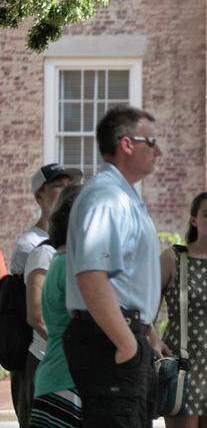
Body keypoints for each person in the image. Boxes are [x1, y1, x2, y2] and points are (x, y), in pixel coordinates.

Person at [63, 105, 165, 427]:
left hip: (121, 337)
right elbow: (92, 276)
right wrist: (126, 344)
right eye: (151, 142)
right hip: (109, 340)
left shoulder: (122, 195)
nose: (158, 151)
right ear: (127, 144)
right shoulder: (107, 197)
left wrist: (143, 336)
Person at [12, 163, 80, 426]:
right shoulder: (33, 246)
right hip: (43, 356)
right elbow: (36, 313)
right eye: (57, 187)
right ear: (39, 196)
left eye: (69, 187)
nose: (66, 193)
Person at [159, 191, 207, 428]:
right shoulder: (173, 258)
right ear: (194, 220)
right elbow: (145, 309)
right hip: (183, 364)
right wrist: (152, 339)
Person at [29, 182, 84, 428]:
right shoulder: (71, 266)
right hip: (66, 380)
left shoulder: (62, 261)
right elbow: (36, 315)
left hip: (56, 376)